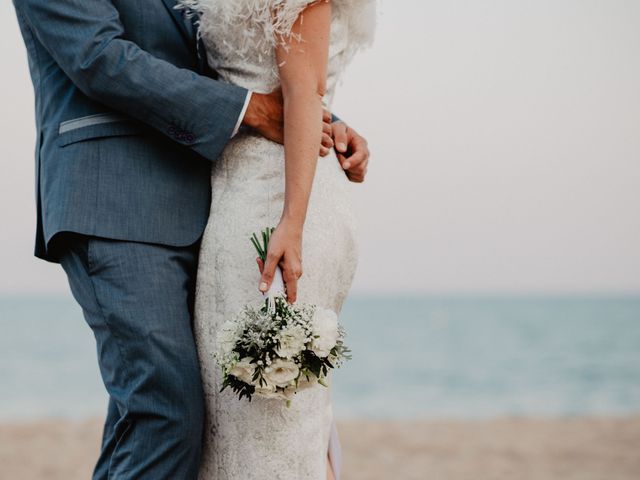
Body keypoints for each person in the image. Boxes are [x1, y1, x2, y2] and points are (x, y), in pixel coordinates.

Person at [12, 0, 371, 478]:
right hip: (114, 199)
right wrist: (250, 110)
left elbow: (232, 55)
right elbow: (97, 56)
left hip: (212, 201)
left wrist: (319, 122)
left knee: (148, 417)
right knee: (164, 412)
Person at [188, 1, 375, 479]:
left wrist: (292, 223)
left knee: (276, 414)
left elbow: (302, 91)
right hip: (242, 191)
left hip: (276, 202)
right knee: (263, 411)